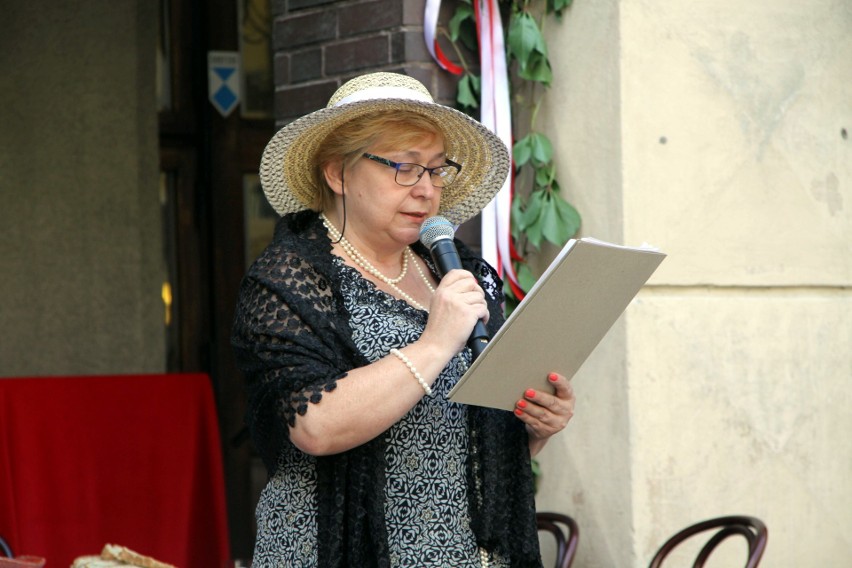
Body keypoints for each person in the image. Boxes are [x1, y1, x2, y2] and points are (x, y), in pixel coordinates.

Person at [231, 72, 576, 568]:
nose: (427, 191)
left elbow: (461, 440)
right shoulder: (288, 278)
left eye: (436, 171)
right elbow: (314, 426)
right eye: (405, 168)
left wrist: (533, 425)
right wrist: (434, 344)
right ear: (338, 174)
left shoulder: (453, 266)